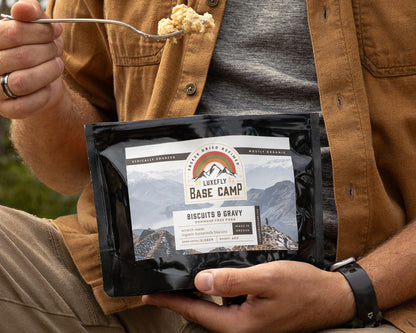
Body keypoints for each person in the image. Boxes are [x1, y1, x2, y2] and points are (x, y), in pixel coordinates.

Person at [0, 0, 415, 332]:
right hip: (135, 296)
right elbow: (67, 171)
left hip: (367, 301)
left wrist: (348, 292)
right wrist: (43, 95)